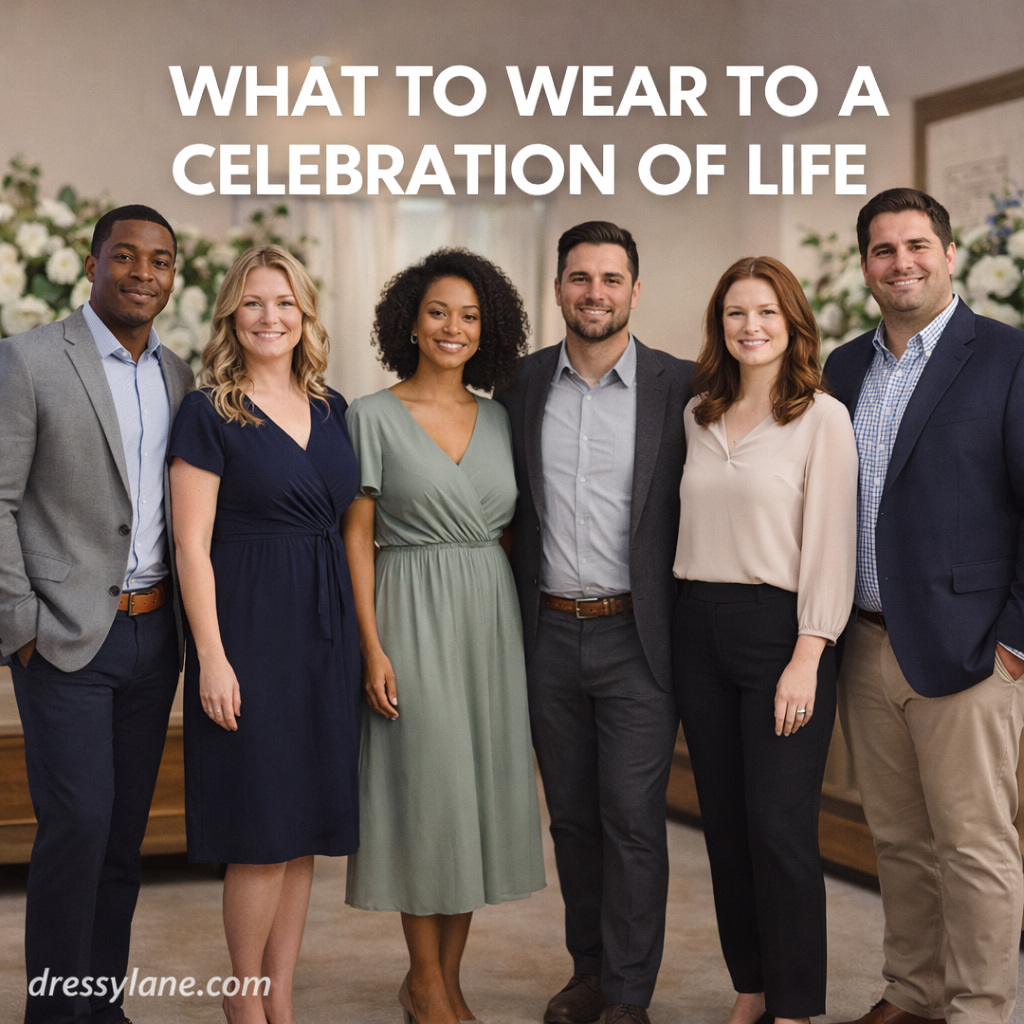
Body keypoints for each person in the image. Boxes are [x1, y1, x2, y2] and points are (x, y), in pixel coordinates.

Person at [824, 188, 1024, 1024]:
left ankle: (980, 1008)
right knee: (901, 842)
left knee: (975, 847)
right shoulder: (842, 369)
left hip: (971, 649)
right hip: (867, 645)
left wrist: (1015, 641)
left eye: (916, 246)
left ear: (948, 254)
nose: (900, 263)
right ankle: (914, 993)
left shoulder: (1007, 356)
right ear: (865, 264)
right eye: (883, 249)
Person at [495, 221, 693, 1024]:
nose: (595, 293)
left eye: (611, 279)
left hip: (638, 638)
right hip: (546, 633)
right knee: (574, 821)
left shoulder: (683, 386)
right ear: (557, 290)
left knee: (633, 819)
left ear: (635, 291)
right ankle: (590, 972)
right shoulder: (518, 384)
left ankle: (629, 993)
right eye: (580, 278)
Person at [0, 206, 192, 1024]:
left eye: (160, 260)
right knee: (76, 827)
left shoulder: (180, 375)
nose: (143, 272)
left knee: (121, 838)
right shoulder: (30, 359)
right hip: (65, 635)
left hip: (156, 634)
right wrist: (23, 625)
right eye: (125, 256)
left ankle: (100, 1006)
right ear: (92, 264)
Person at [342, 248, 545, 1024]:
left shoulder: (500, 417)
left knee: (474, 799)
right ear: (410, 324)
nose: (453, 327)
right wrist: (372, 646)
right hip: (409, 611)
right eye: (437, 312)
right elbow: (356, 538)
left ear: (487, 329)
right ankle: (425, 980)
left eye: (469, 315)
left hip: (487, 619)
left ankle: (443, 982)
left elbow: (512, 535)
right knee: (427, 795)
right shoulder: (370, 416)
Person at [169, 246, 361, 1024]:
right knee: (260, 829)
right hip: (249, 631)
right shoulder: (209, 412)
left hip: (325, 632)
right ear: (231, 315)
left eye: (285, 303)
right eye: (253, 302)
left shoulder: (332, 408)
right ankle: (242, 995)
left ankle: (279, 993)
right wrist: (212, 658)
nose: (270, 317)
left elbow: (350, 525)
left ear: (306, 316)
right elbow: (190, 546)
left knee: (303, 825)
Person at [671, 256, 858, 1024]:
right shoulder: (698, 413)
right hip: (696, 627)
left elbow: (832, 543)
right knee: (725, 825)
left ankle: (795, 1006)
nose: (751, 327)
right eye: (736, 313)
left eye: (767, 312)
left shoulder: (822, 418)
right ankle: (751, 984)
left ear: (792, 324)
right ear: (720, 325)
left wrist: (809, 653)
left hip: (782, 634)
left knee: (779, 829)